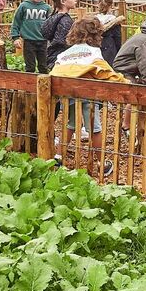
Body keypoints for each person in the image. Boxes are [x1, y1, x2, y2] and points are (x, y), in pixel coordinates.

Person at [50, 18, 128, 177]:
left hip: (67, 93)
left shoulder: (65, 54)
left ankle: (58, 157)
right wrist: (123, 81)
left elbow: (55, 71)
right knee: (95, 127)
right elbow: (105, 71)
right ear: (95, 35)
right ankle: (101, 162)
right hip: (87, 95)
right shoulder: (93, 53)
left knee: (69, 124)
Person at [10, 0, 52, 73]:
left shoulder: (47, 8)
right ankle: (30, 86)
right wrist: (15, 37)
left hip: (43, 41)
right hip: (29, 41)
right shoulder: (24, 6)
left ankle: (44, 86)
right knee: (30, 67)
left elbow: (50, 25)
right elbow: (16, 22)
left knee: (43, 66)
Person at [42, 0, 77, 71]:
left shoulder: (53, 17)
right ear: (63, 1)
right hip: (63, 61)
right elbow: (65, 43)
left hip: (53, 58)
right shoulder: (65, 21)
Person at [95, 0, 122, 65]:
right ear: (111, 6)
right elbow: (118, 38)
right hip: (110, 48)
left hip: (97, 48)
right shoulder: (114, 21)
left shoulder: (94, 20)